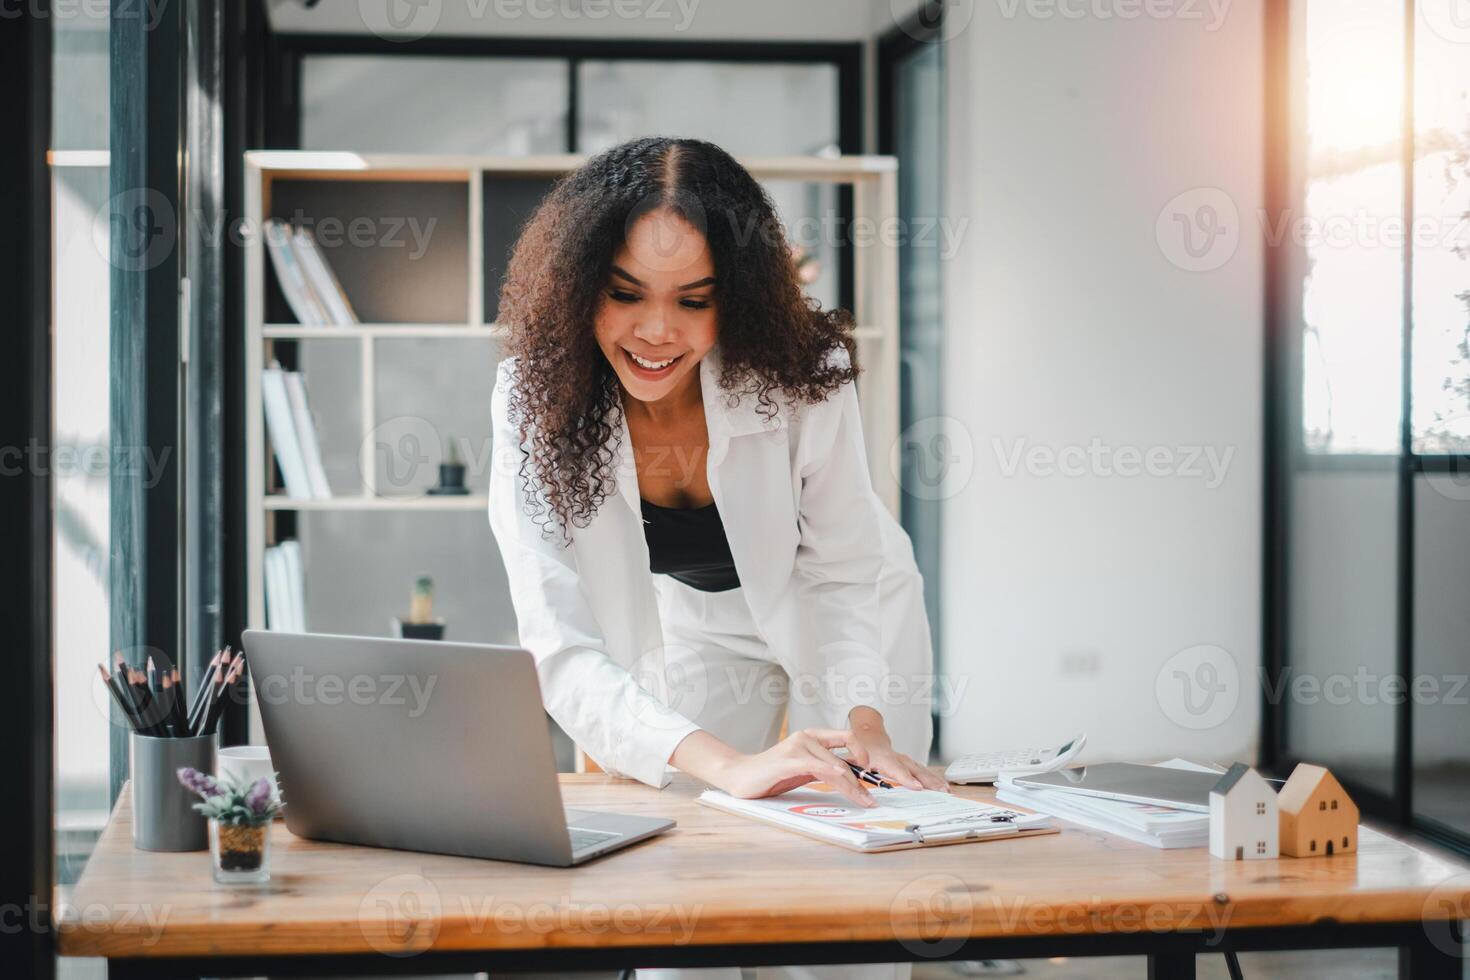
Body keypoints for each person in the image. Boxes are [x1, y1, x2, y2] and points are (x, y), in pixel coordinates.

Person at [487, 137, 942, 978]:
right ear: (581, 285)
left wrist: (864, 722)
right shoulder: (533, 396)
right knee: (684, 881)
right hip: (696, 620)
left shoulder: (807, 372)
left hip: (850, 611)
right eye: (625, 294)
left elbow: (842, 571)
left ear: (734, 298)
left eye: (693, 300)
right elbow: (559, 647)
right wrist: (727, 764)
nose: (656, 332)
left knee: (854, 884)